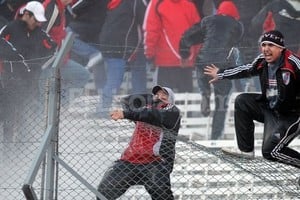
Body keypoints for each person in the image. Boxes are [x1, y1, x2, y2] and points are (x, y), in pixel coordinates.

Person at [204, 30, 300, 170]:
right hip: (270, 108)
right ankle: (246, 150)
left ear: (281, 48)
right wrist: (221, 74)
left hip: (291, 115)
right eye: (264, 44)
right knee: (242, 100)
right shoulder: (261, 61)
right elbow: (245, 69)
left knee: (271, 152)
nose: (266, 49)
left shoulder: (294, 63)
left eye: (271, 45)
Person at [96, 85, 181, 200]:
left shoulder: (172, 111)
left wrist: (126, 114)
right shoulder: (144, 111)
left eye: (164, 94)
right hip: (130, 160)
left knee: (163, 198)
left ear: (171, 98)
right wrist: (151, 97)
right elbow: (126, 100)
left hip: (156, 163)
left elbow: (153, 115)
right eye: (158, 94)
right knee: (103, 193)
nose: (160, 96)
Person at [179, 0, 244, 140]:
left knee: (203, 77)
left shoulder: (207, 21)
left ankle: (205, 95)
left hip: (203, 61)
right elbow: (237, 45)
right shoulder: (237, 26)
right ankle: (215, 138)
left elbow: (187, 37)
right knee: (221, 103)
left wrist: (184, 54)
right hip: (222, 66)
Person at [0, 1, 56, 142]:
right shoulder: (10, 28)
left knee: (26, 113)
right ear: (26, 15)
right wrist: (16, 59)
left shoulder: (39, 32)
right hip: (9, 80)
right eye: (36, 20)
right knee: (9, 114)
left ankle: (23, 144)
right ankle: (7, 146)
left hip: (30, 80)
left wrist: (39, 65)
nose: (38, 23)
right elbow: (2, 44)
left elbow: (53, 48)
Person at [95, 0, 149, 118]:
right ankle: (137, 108)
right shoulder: (136, 2)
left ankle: (103, 109)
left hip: (109, 44)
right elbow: (146, 22)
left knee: (114, 80)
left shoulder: (114, 2)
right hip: (123, 46)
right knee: (117, 80)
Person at [143, 0, 201, 93]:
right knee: (185, 102)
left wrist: (149, 54)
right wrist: (195, 57)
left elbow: (151, 31)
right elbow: (198, 33)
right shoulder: (189, 5)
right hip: (186, 62)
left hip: (165, 62)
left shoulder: (156, 3)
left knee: (163, 102)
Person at [41, 0, 91, 104]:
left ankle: (59, 103)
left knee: (83, 75)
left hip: (60, 59)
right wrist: (51, 52)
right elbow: (42, 34)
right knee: (45, 97)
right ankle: (49, 110)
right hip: (49, 61)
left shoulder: (61, 8)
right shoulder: (52, 8)